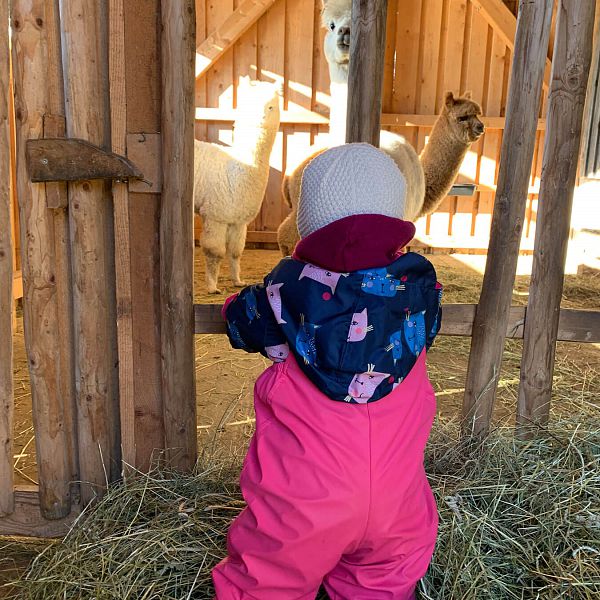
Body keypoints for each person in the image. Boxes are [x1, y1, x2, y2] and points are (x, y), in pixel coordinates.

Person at [212, 143, 442, 599]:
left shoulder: (279, 299)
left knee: (268, 582)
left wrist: (231, 304)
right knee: (382, 584)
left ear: (307, 222)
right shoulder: (421, 300)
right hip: (398, 509)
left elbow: (237, 319)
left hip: (301, 510)